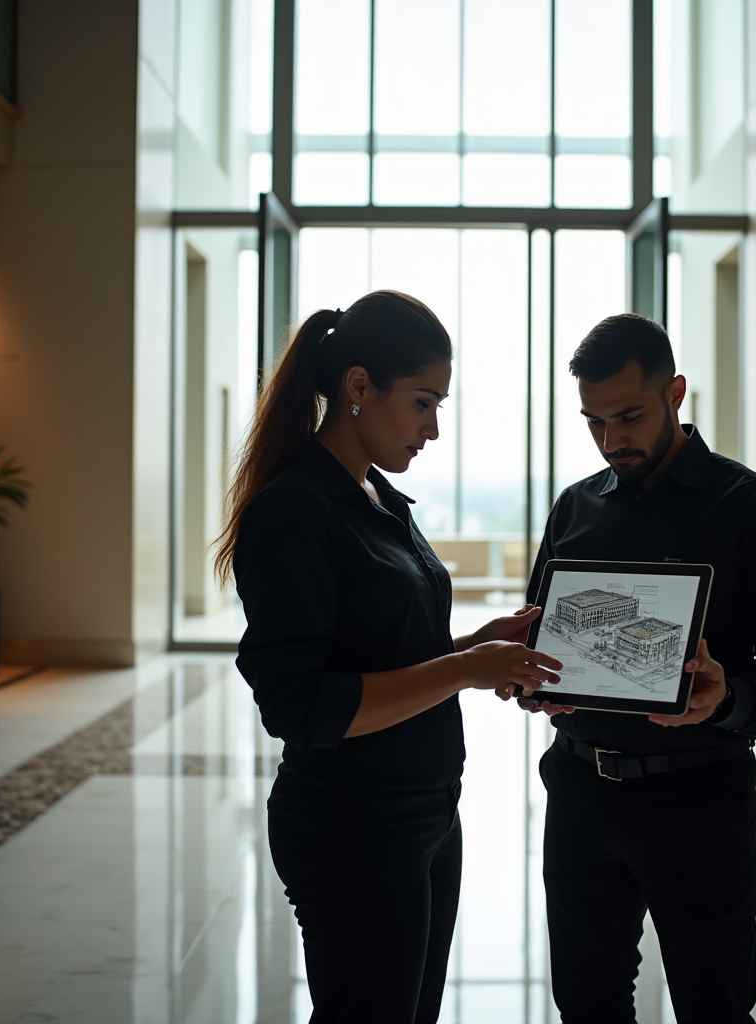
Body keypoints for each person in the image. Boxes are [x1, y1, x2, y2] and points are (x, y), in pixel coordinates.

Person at [215, 289, 563, 1024]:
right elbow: (303, 706)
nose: (434, 429)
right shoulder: (294, 511)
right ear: (359, 387)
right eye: (423, 403)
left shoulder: (377, 496)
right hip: (352, 828)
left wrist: (478, 644)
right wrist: (467, 669)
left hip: (426, 812)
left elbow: (385, 655)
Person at [519, 313, 756, 1024]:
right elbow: (544, 629)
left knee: (712, 1004)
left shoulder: (752, 508)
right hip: (578, 790)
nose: (611, 439)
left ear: (676, 393)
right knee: (586, 1003)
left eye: (628, 415)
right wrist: (533, 683)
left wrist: (729, 698)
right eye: (594, 422)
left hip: (698, 800)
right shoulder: (575, 507)